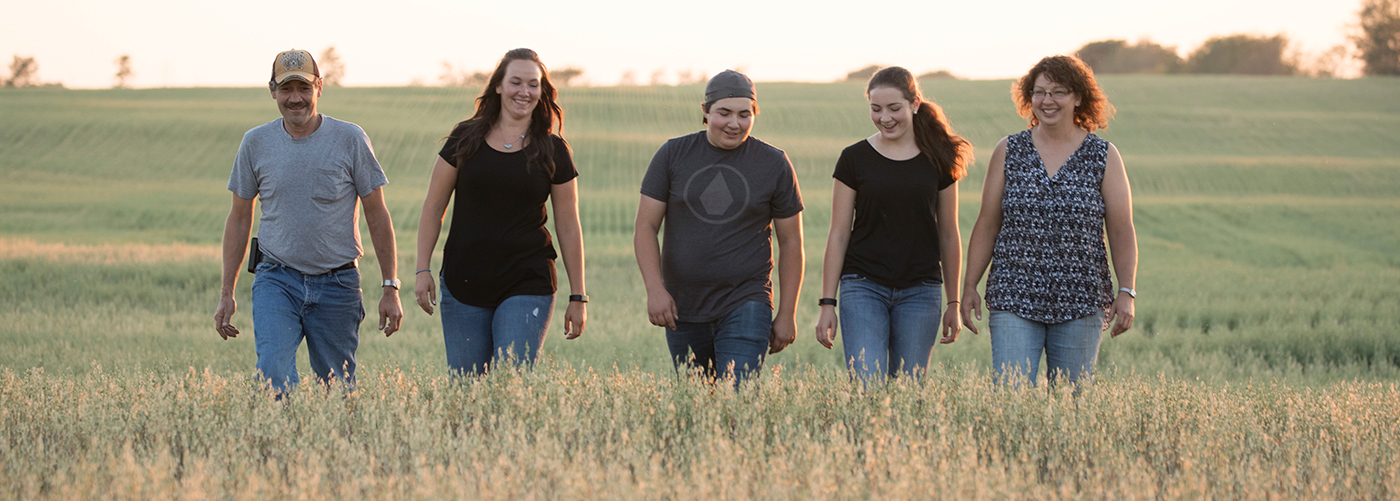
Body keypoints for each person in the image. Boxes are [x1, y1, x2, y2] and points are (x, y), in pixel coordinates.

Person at [215, 49, 403, 394]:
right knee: (272, 375)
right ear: (272, 90)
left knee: (338, 387)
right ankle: (279, 444)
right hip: (276, 279)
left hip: (338, 282)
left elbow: (377, 213)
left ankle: (335, 447)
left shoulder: (350, 139)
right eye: (286, 89)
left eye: (304, 88)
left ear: (320, 87)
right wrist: (227, 292)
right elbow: (240, 218)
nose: (295, 98)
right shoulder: (255, 143)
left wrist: (390, 286)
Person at [960, 55, 1138, 388]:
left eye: (1058, 92)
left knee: (1072, 405)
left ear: (1078, 98)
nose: (1047, 101)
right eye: (1040, 92)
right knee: (1011, 398)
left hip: (1081, 298)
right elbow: (987, 223)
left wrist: (1126, 290)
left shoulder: (1103, 155)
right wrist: (969, 286)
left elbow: (1120, 229)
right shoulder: (1009, 150)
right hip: (1014, 294)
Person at [413, 48, 586, 376]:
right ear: (498, 86)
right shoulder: (464, 139)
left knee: (513, 382)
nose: (524, 91)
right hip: (464, 279)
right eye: (516, 82)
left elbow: (568, 225)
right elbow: (434, 207)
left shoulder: (554, 150)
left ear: (542, 91)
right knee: (466, 389)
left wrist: (579, 295)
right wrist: (422, 270)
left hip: (527, 278)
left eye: (533, 85)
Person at [634, 69, 804, 383]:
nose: (734, 123)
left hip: (747, 300)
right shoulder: (672, 154)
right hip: (683, 306)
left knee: (736, 398)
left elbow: (791, 242)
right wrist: (655, 290)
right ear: (705, 112)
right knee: (697, 406)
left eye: (744, 114)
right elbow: (645, 227)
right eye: (723, 113)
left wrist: (787, 313)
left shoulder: (774, 163)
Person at [813, 66, 971, 384]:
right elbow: (839, 233)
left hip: (921, 291)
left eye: (894, 108)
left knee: (908, 391)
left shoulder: (939, 158)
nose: (885, 117)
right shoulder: (853, 159)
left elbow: (949, 233)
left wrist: (953, 302)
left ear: (914, 104)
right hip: (862, 287)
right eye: (876, 109)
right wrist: (827, 303)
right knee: (865, 385)